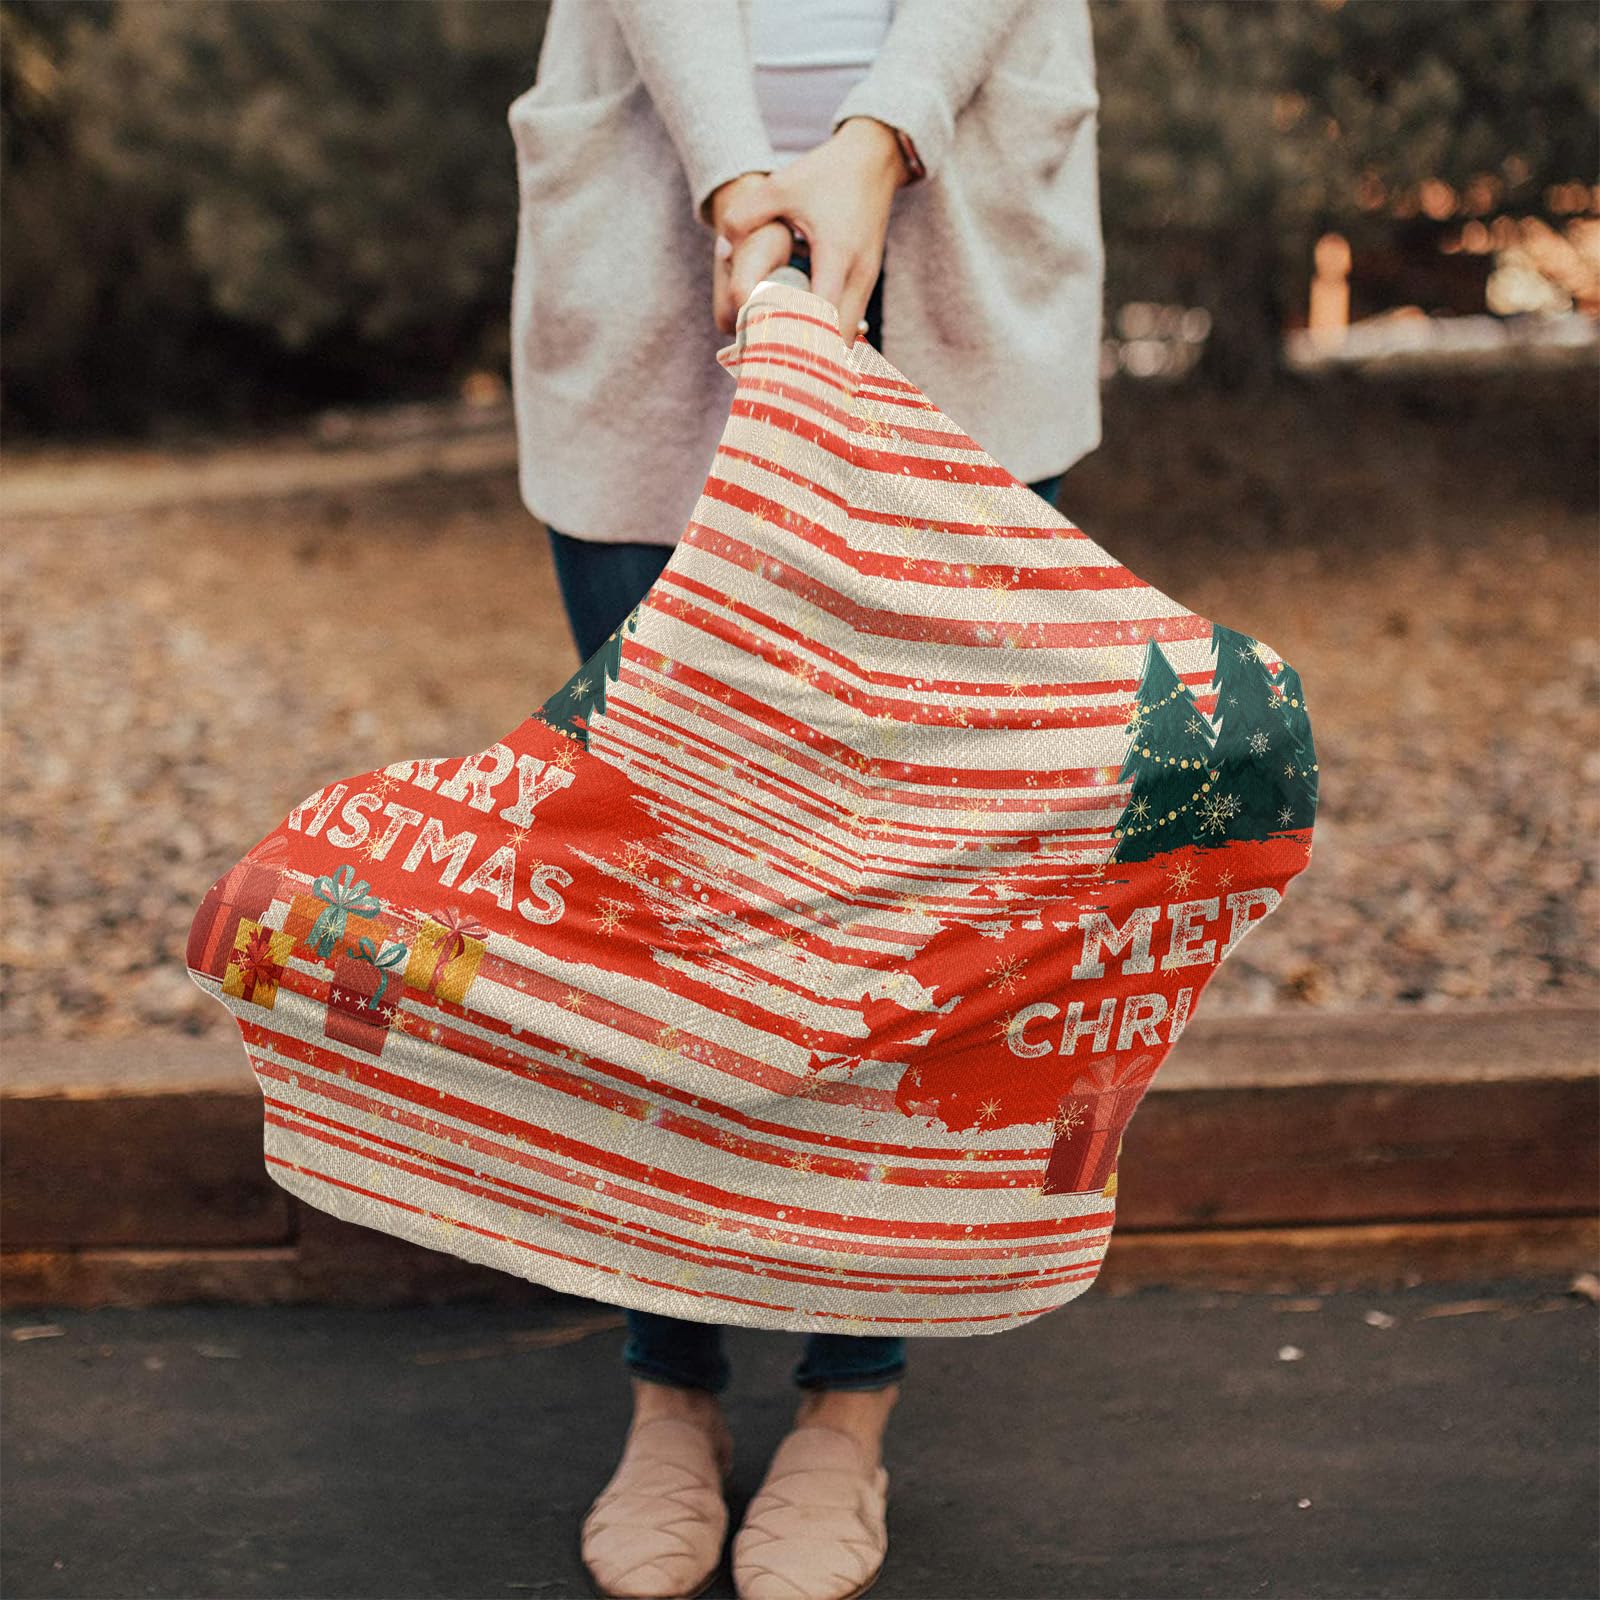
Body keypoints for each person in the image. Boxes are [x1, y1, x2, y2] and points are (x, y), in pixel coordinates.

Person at [505, 3, 1102, 1596]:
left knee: (904, 883)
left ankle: (849, 1400)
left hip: (958, 224)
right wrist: (732, 179)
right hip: (656, 219)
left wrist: (877, 136)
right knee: (664, 874)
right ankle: (670, 1385)